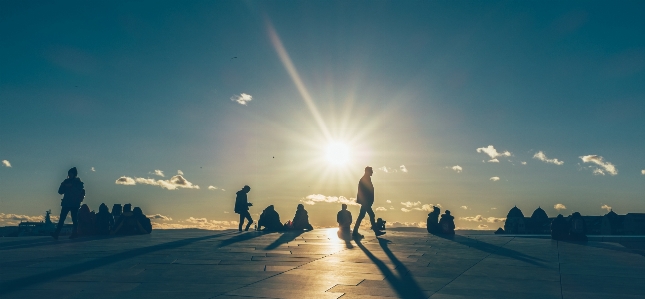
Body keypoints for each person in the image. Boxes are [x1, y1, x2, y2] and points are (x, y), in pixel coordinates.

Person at [51, 167, 86, 240]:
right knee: (62, 219)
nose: (69, 175)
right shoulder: (66, 181)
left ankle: (75, 233)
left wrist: (71, 186)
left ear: (74, 174)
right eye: (69, 173)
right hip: (66, 203)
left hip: (74, 203)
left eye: (71, 173)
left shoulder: (78, 183)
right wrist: (63, 185)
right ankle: (56, 233)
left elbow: (78, 191)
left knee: (74, 219)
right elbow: (60, 191)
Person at [352, 166, 385, 238]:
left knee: (361, 216)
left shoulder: (366, 179)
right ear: (368, 171)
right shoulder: (365, 179)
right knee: (371, 215)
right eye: (371, 171)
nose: (372, 172)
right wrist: (367, 201)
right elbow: (365, 191)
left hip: (366, 201)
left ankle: (355, 232)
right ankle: (376, 232)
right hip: (365, 202)